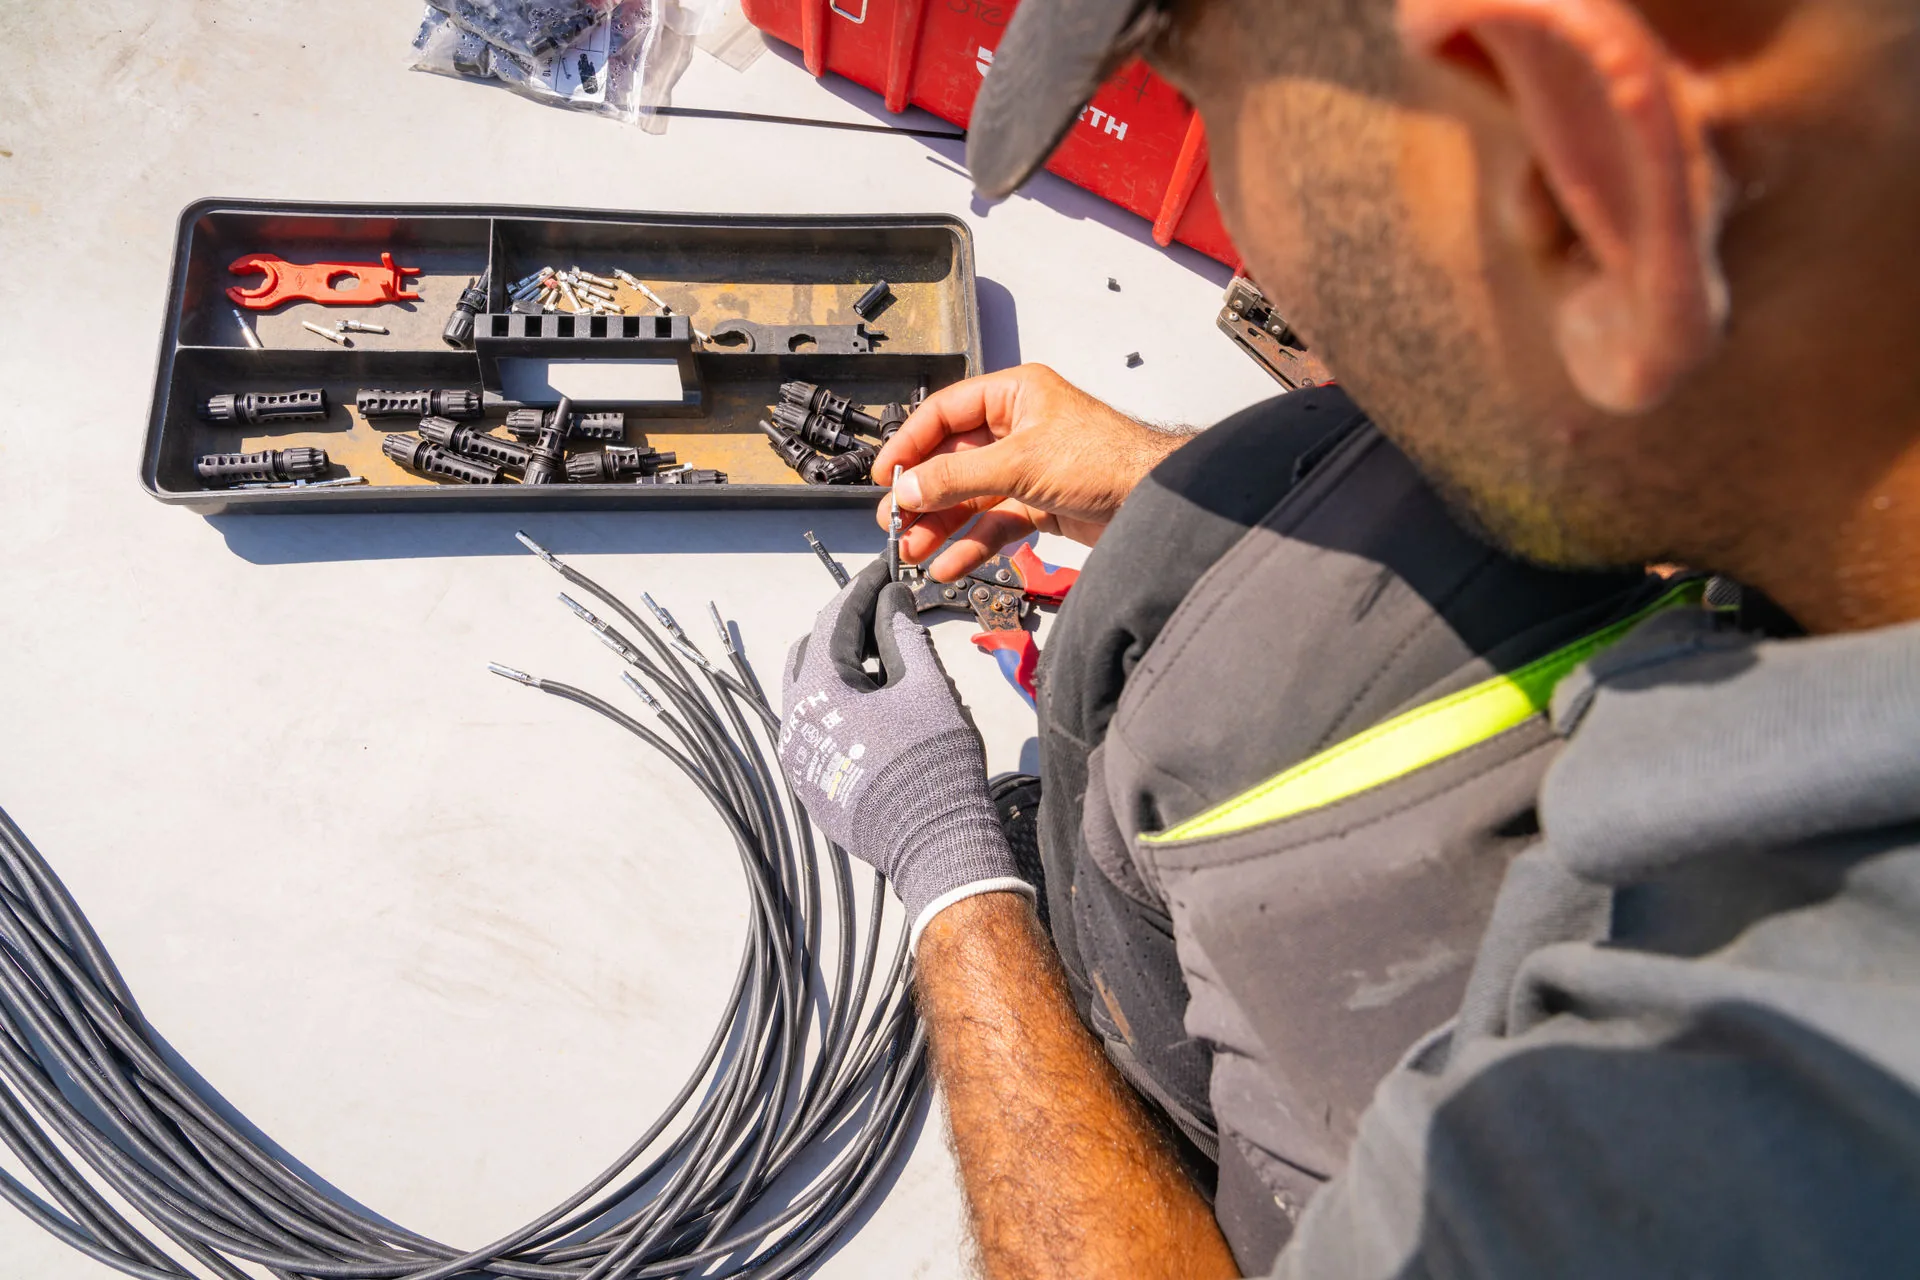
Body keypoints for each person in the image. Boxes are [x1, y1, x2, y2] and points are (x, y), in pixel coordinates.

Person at [775, 0, 1920, 1276]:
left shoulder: (1746, 1116)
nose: (1269, 280)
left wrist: (951, 876)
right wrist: (1155, 481)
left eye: (1225, 119)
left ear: (1569, 167)